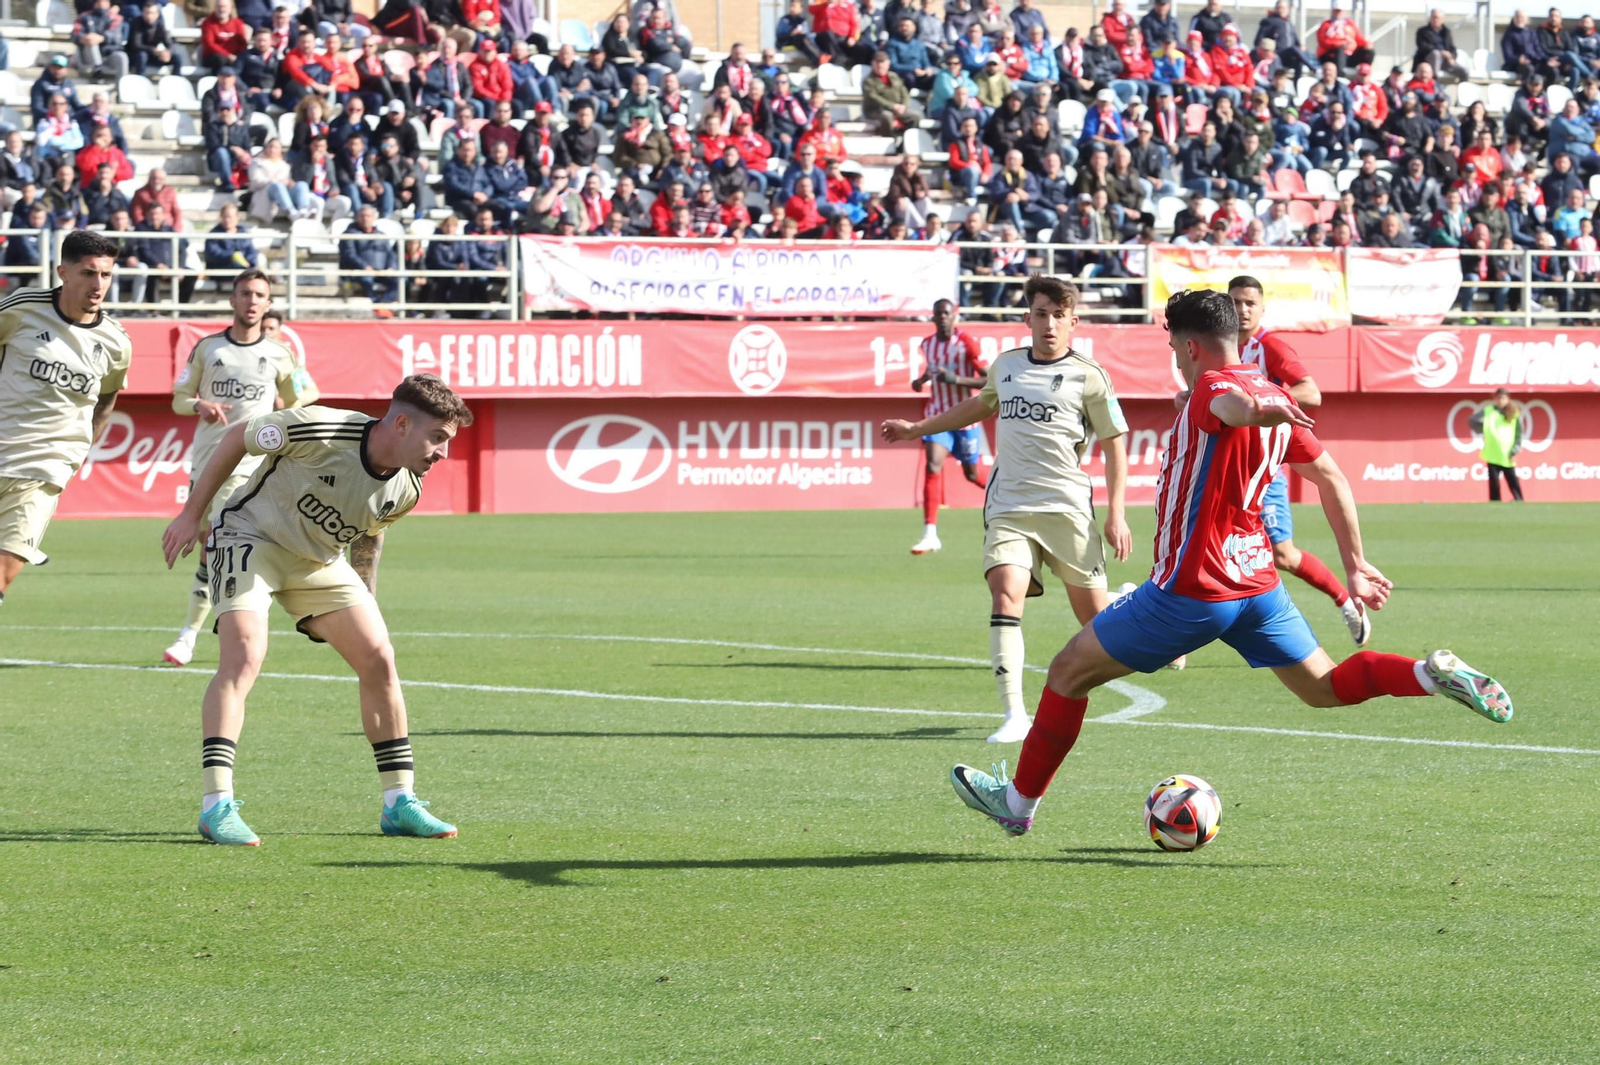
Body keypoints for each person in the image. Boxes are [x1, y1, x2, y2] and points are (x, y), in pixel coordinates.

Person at [950, 288, 1514, 838]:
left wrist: (1256, 408)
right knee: (1323, 686)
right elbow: (1331, 477)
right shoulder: (1260, 384)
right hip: (1257, 585)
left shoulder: (1219, 389)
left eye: (1174, 348)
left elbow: (1232, 406)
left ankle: (1018, 803)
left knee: (1068, 672)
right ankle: (1430, 675)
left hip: (1191, 590)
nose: (1174, 360)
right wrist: (1356, 564)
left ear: (1192, 346)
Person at [160, 374, 474, 845]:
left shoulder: (407, 488)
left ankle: (399, 802)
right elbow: (235, 440)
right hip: (253, 538)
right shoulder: (321, 429)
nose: (443, 453)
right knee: (244, 656)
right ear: (403, 424)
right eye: (438, 438)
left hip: (319, 562)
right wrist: (191, 515)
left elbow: (370, 530)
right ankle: (216, 804)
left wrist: (365, 595)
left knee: (379, 657)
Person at [881, 275, 1132, 745]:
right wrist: (917, 429)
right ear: (1027, 319)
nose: (1050, 324)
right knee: (1005, 594)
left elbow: (1115, 443)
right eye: (1041, 314)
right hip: (1009, 506)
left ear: (1073, 322)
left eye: (1059, 316)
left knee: (1098, 624)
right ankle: (1015, 714)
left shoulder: (1090, 375)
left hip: (1067, 510)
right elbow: (976, 407)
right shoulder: (1007, 366)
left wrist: (1116, 512)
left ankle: (1132, 604)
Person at [162, 270, 319, 667]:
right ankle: (193, 631)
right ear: (232, 300)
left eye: (259, 295)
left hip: (250, 466)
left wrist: (285, 414)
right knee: (207, 548)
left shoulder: (281, 354)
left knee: (219, 538)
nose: (251, 300)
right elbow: (180, 398)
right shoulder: (209, 349)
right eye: (245, 293)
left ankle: (208, 632)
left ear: (268, 304)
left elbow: (307, 395)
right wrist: (201, 405)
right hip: (206, 462)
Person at [1220, 275, 1371, 645]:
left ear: (1261, 308)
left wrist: (1262, 408)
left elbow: (1310, 391)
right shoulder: (1217, 346)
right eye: (1236, 302)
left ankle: (1345, 601)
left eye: (1249, 303)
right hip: (1224, 462)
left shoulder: (1270, 347)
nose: (1242, 310)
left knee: (1283, 556)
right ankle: (1177, 640)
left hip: (1263, 468)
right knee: (1200, 544)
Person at [0, 231, 133, 607]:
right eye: (89, 273)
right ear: (64, 272)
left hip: (46, 467)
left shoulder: (115, 342)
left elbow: (106, 399)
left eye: (106, 275)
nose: (98, 284)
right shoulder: (22, 309)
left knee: (6, 566)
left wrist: (77, 453)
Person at [904, 299, 989, 557]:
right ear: (933, 317)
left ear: (955, 316)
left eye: (946, 314)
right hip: (937, 416)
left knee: (972, 473)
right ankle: (930, 533)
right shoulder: (927, 344)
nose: (942, 318)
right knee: (933, 464)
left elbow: (987, 379)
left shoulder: (967, 343)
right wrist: (920, 381)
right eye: (938, 314)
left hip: (965, 417)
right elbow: (932, 371)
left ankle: (1009, 489)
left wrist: (957, 379)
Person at [1469, 388, 1524, 501]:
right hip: (1492, 452)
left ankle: (1519, 500)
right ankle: (1495, 502)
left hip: (1507, 453)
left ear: (1508, 399)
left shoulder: (1513, 413)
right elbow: (1472, 421)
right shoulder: (1489, 411)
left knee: (1512, 480)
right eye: (1498, 398)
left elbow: (1519, 432)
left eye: (1503, 398)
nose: (1500, 401)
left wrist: (1516, 448)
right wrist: (1483, 428)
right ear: (1494, 399)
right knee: (1494, 483)